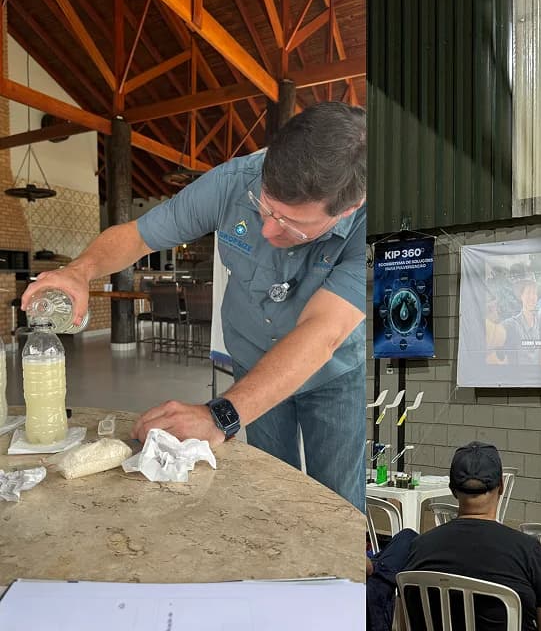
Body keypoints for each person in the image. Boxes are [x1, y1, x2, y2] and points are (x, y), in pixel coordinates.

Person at [23, 102, 367, 510]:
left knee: (340, 500)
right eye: (265, 206)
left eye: (291, 224)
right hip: (253, 359)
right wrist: (81, 270)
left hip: (332, 373)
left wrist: (221, 415)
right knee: (274, 481)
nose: (267, 228)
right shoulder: (236, 181)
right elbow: (139, 235)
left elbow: (321, 333)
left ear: (346, 209)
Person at [400, 441, 541, 631]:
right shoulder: (528, 550)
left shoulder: (419, 547)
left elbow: (404, 620)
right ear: (501, 486)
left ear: (452, 489)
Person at [502, 279, 541, 364]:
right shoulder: (511, 324)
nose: (532, 297)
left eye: (534, 293)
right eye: (528, 292)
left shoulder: (540, 321)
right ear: (521, 296)